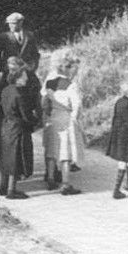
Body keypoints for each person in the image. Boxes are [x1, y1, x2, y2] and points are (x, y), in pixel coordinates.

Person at [0, 56, 41, 199]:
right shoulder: (20, 94)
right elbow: (26, 115)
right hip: (18, 128)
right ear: (17, 78)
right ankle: (11, 190)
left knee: (5, 157)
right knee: (16, 159)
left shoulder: (6, 90)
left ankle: (2, 187)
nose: (26, 78)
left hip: (6, 125)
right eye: (23, 76)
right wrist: (36, 122)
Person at [42, 49, 84, 195]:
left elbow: (44, 101)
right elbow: (76, 105)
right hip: (65, 119)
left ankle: (51, 178)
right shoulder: (70, 85)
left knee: (51, 149)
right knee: (65, 152)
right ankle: (66, 184)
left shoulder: (49, 84)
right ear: (66, 69)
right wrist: (75, 119)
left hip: (52, 118)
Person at [0, 56, 41, 167]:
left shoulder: (29, 77)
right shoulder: (7, 77)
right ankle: (1, 162)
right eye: (9, 69)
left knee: (19, 148)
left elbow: (35, 97)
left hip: (20, 115)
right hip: (5, 114)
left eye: (13, 69)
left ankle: (16, 170)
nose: (11, 72)